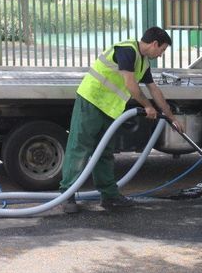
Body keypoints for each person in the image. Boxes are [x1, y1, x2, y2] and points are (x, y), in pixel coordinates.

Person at [60, 26, 181, 213]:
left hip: (108, 108)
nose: (161, 54)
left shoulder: (143, 63)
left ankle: (109, 196)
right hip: (91, 101)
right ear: (154, 44)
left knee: (105, 152)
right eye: (162, 49)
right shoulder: (127, 50)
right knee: (80, 148)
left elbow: (154, 89)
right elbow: (130, 84)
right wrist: (147, 106)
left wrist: (171, 118)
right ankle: (67, 194)